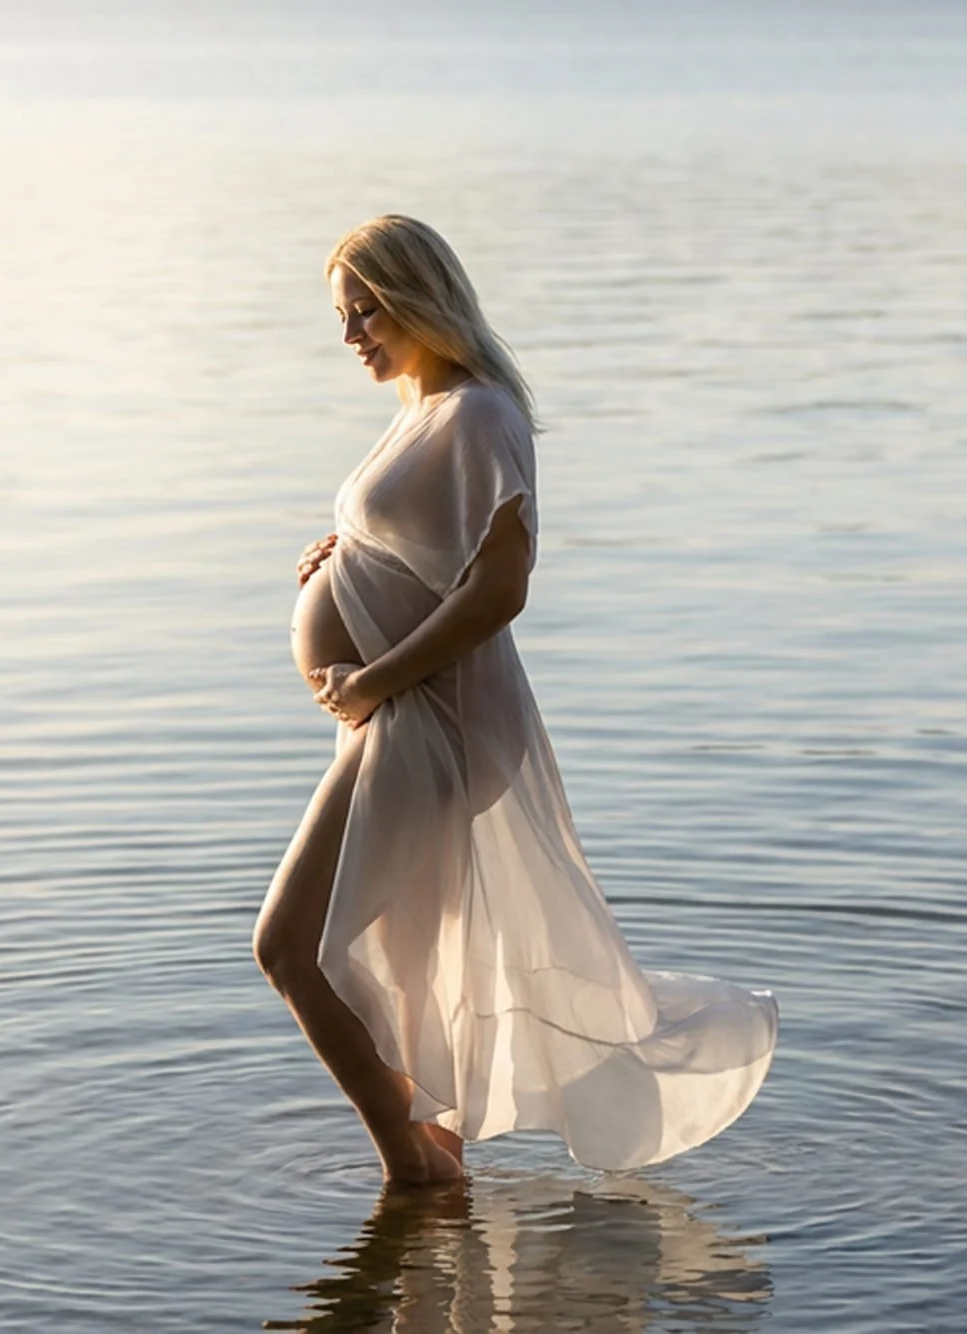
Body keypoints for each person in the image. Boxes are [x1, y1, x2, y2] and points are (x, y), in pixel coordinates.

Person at [256, 215, 777, 1186]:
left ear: (417, 295)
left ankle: (415, 1174)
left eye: (364, 309)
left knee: (288, 944)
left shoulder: (480, 411)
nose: (350, 334)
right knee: (409, 966)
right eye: (341, 316)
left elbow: (501, 588)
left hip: (432, 718)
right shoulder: (421, 409)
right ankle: (435, 1171)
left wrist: (371, 676)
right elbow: (432, 550)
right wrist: (344, 559)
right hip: (400, 717)